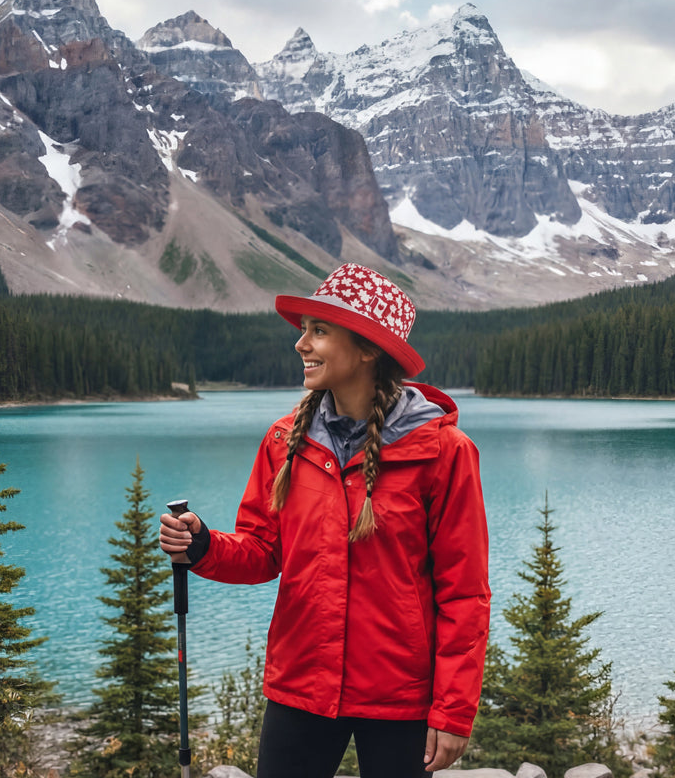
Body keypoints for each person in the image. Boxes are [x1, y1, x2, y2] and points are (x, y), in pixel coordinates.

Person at [160, 263, 490, 778]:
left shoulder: (444, 452)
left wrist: (453, 710)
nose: (301, 344)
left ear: (367, 349)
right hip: (302, 685)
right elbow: (263, 552)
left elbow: (463, 594)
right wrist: (203, 546)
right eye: (303, 330)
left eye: (319, 331)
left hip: (400, 697)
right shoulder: (283, 441)